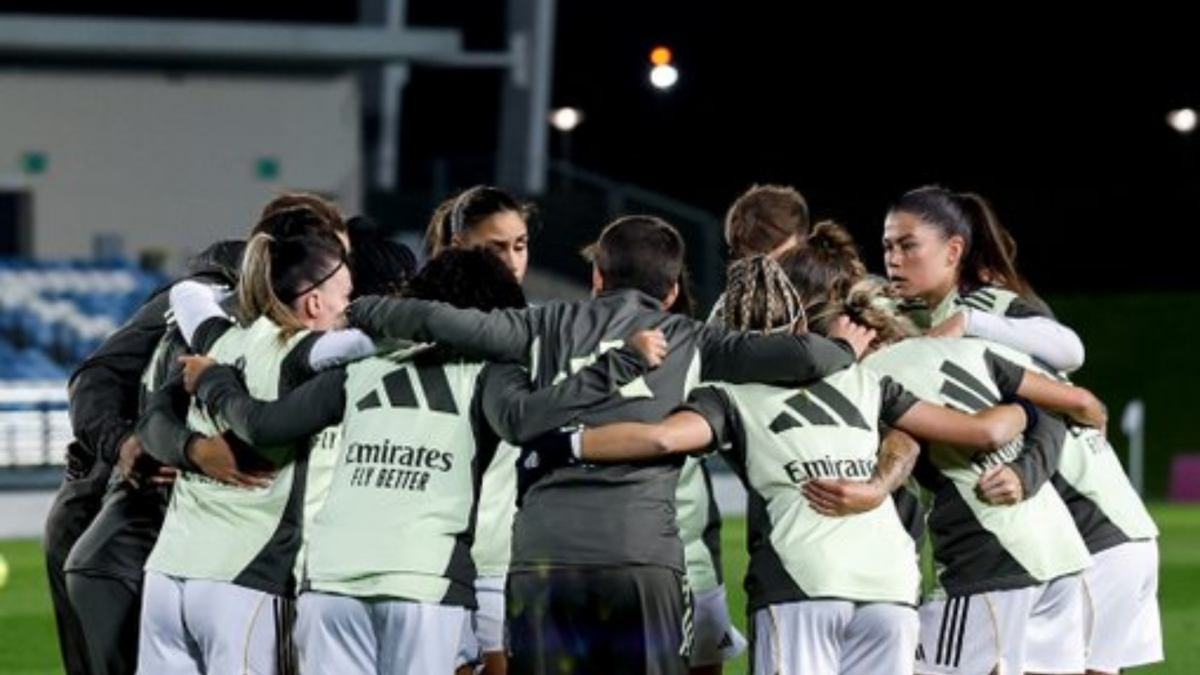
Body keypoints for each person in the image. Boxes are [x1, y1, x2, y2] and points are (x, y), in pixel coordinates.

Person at [343, 214, 875, 675]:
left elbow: (437, 320)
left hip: (545, 564)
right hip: (640, 562)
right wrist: (842, 348)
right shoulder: (691, 338)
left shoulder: (543, 324)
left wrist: (362, 310)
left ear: (597, 276)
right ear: (670, 291)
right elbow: (803, 357)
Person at [524, 253, 1059, 675]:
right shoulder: (861, 377)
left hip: (802, 583)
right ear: (802, 320)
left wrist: (564, 444)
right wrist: (1024, 406)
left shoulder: (727, 393)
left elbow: (662, 440)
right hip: (891, 587)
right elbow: (954, 433)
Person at [174, 246, 670, 674]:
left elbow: (264, 426)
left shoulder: (365, 363)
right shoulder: (490, 370)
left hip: (331, 580)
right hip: (422, 581)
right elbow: (524, 420)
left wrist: (215, 382)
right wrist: (620, 364)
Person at [44, 191, 352, 675]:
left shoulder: (217, 317)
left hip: (126, 548)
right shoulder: (207, 307)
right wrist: (132, 446)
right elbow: (97, 378)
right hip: (123, 531)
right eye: (334, 262)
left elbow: (162, 402)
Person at [133, 220, 361, 674]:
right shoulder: (305, 356)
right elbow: (365, 344)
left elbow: (186, 296)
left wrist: (193, 447)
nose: (353, 307)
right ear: (315, 302)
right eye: (347, 296)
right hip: (245, 577)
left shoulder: (219, 338)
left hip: (169, 571)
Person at [424, 184, 534, 675]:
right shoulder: (412, 334)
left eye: (520, 245)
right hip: (426, 562)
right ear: (455, 247)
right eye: (495, 247)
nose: (512, 261)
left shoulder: (536, 334)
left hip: (496, 563)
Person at [881, 184, 1086, 373]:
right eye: (888, 247)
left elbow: (1072, 351)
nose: (893, 259)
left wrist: (969, 322)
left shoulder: (990, 302)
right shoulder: (907, 310)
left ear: (953, 251)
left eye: (908, 246)